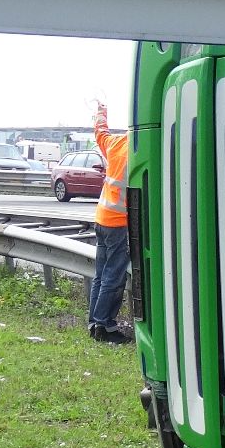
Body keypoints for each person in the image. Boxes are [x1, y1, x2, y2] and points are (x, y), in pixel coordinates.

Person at [87, 101, 131, 345]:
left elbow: (100, 132)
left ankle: (94, 322)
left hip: (102, 218)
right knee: (113, 277)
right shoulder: (138, 151)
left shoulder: (115, 143)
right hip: (119, 223)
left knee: (100, 275)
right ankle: (104, 326)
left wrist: (101, 113)